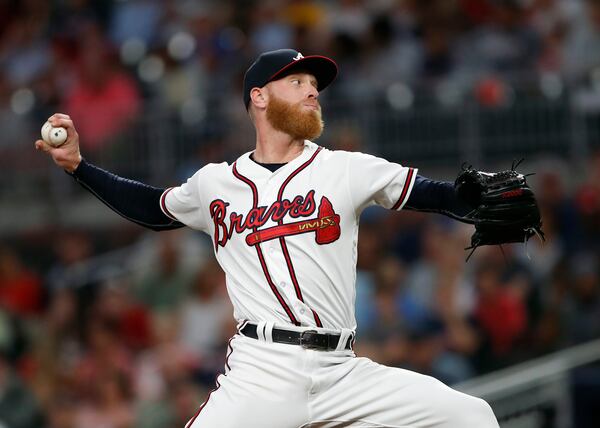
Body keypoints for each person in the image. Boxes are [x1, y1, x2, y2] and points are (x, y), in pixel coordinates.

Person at [36, 49, 499, 427]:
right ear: (259, 97)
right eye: (297, 82)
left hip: (342, 369)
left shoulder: (345, 168)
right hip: (262, 370)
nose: (312, 90)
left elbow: (435, 194)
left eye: (314, 84)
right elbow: (152, 209)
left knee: (471, 417)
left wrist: (476, 197)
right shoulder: (216, 182)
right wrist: (80, 167)